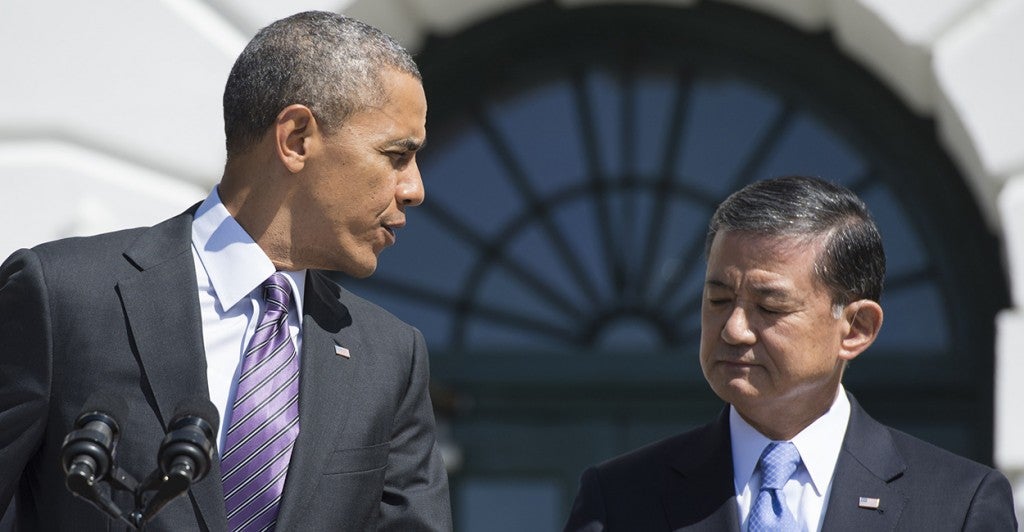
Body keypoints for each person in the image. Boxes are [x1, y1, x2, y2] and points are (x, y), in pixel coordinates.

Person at [0, 11, 451, 531]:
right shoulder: (64, 297)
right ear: (297, 138)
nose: (414, 188)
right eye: (396, 155)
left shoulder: (390, 357)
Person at [564, 176, 1017, 531]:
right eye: (718, 300)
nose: (735, 329)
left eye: (770, 307)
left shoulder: (958, 505)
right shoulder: (621, 498)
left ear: (856, 329)